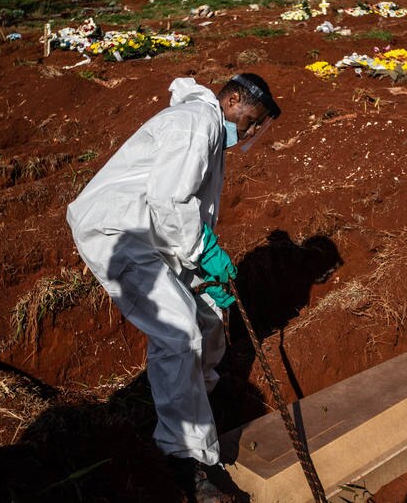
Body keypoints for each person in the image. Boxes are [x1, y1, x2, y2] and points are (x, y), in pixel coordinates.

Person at [66, 74, 281, 501]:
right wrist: (205, 254)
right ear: (232, 99)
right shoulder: (197, 122)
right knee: (178, 333)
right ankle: (184, 457)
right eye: (251, 119)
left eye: (258, 126)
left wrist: (205, 275)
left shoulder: (210, 135)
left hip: (151, 234)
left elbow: (180, 217)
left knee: (207, 316)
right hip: (117, 233)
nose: (252, 131)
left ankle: (203, 402)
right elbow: (171, 203)